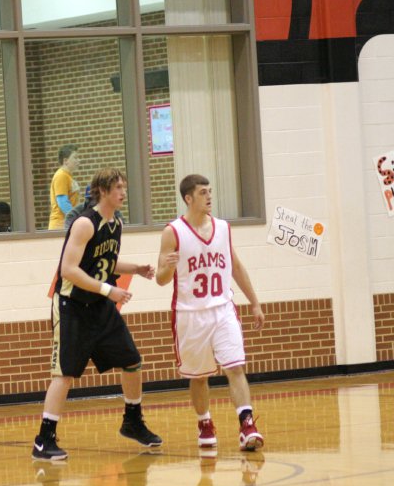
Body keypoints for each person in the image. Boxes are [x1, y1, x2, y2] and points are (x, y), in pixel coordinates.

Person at [33, 168, 162, 461]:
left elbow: (105, 260)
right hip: (72, 306)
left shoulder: (115, 223)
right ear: (102, 190)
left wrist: (135, 269)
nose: (123, 193)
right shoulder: (84, 223)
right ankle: (44, 439)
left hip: (100, 306)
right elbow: (69, 270)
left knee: (132, 361)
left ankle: (132, 421)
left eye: (124, 187)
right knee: (64, 374)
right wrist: (109, 291)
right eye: (118, 187)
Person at [155, 174, 266, 451]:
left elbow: (236, 267)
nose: (209, 196)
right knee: (199, 376)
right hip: (190, 314)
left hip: (222, 308)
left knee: (235, 366)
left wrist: (254, 302)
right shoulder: (173, 232)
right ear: (188, 198)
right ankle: (204, 421)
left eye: (210, 191)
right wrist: (168, 266)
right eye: (203, 192)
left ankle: (247, 423)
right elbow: (160, 278)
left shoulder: (223, 228)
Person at [47, 144, 82, 230]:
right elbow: (63, 202)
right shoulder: (61, 176)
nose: (79, 160)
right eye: (75, 157)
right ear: (65, 161)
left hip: (66, 223)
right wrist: (76, 218)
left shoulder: (68, 176)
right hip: (60, 225)